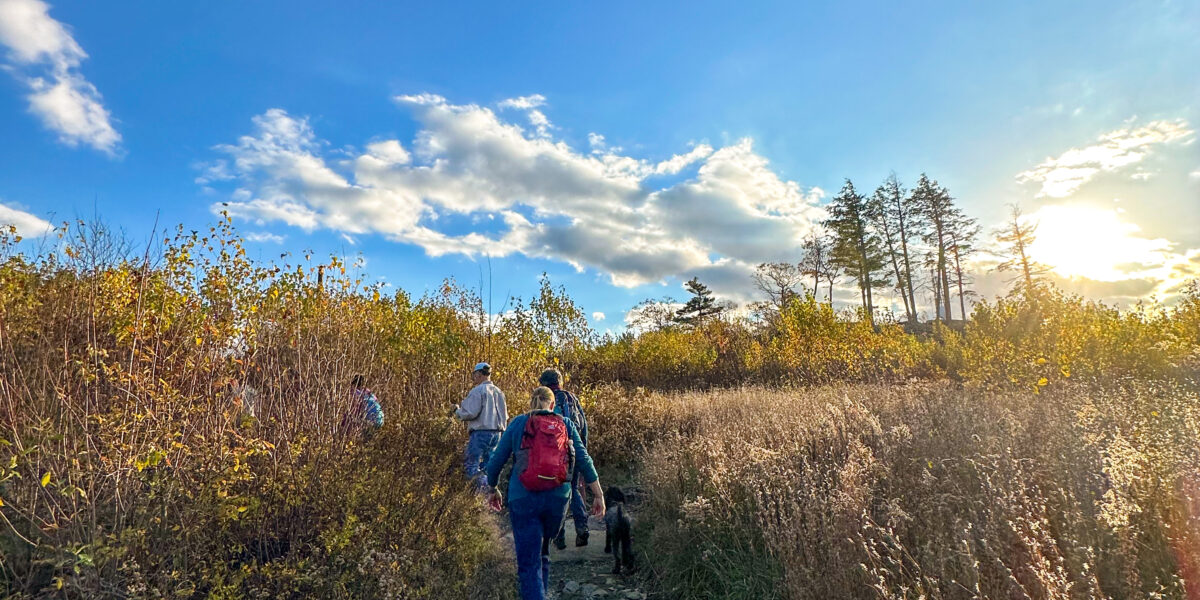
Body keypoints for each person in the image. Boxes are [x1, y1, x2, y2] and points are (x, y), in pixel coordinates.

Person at [485, 387, 605, 600]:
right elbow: (584, 459)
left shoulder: (519, 424)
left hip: (523, 497)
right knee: (544, 553)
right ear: (552, 405)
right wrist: (598, 495)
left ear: (531, 403)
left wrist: (493, 489)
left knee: (529, 564)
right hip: (557, 499)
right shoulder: (565, 424)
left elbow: (495, 463)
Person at [540, 368, 590, 548]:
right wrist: (582, 450)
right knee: (574, 488)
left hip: (556, 453)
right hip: (575, 450)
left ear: (544, 384)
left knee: (557, 491)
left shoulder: (548, 400)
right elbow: (584, 426)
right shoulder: (573, 398)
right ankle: (582, 529)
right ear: (560, 382)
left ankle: (558, 537)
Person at [454, 362, 508, 488]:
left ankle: (480, 495)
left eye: (474, 374)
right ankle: (490, 496)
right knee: (488, 467)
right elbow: (505, 415)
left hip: (481, 434)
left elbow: (470, 413)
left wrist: (457, 412)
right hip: (497, 434)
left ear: (478, 374)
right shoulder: (499, 392)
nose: (474, 377)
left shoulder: (478, 391)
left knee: (472, 466)